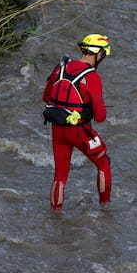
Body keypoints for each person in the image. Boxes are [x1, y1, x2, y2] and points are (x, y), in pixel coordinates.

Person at [41, 34, 113, 210]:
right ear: (99, 54)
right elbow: (101, 117)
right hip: (79, 131)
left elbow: (46, 96)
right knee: (103, 162)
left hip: (57, 128)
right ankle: (105, 208)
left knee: (60, 176)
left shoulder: (61, 67)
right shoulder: (93, 77)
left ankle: (55, 215)